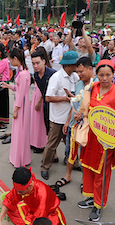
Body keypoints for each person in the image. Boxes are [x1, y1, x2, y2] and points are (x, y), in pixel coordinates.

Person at [77, 60, 115, 222]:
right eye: (101, 75)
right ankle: (91, 197)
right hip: (90, 138)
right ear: (96, 75)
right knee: (88, 169)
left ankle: (99, 204)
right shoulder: (93, 88)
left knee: (102, 174)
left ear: (114, 75)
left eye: (108, 75)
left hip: (106, 142)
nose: (105, 78)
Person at [0, 167, 66, 225]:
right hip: (31, 210)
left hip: (47, 215)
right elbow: (9, 200)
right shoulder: (21, 188)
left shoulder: (42, 195)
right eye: (16, 190)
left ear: (30, 185)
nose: (17, 193)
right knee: (10, 210)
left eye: (20, 192)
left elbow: (37, 223)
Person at [56, 57, 97, 187]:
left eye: (81, 71)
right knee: (70, 151)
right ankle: (68, 175)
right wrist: (68, 121)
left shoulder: (97, 85)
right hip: (74, 123)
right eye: (77, 72)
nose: (78, 74)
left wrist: (85, 115)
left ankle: (84, 180)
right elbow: (74, 104)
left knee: (85, 154)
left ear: (90, 68)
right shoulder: (79, 83)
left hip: (88, 126)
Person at [40, 51, 79, 180]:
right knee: (52, 144)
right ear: (68, 65)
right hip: (57, 118)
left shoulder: (75, 76)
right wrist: (65, 98)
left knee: (72, 142)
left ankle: (75, 162)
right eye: (75, 64)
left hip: (71, 116)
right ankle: (45, 167)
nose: (77, 66)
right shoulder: (56, 78)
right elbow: (48, 98)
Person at [1, 48, 31, 168]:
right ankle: (16, 158)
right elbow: (18, 89)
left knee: (21, 132)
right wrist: (8, 86)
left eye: (10, 59)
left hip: (21, 105)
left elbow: (22, 93)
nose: (10, 62)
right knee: (18, 132)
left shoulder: (23, 73)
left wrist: (16, 109)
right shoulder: (21, 71)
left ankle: (20, 159)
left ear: (15, 59)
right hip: (21, 103)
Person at [30, 51, 56, 154]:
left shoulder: (53, 74)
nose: (35, 66)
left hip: (55, 105)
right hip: (46, 105)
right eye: (33, 63)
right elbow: (41, 91)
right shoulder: (36, 75)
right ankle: (53, 156)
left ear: (44, 61)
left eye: (37, 63)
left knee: (57, 132)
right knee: (48, 130)